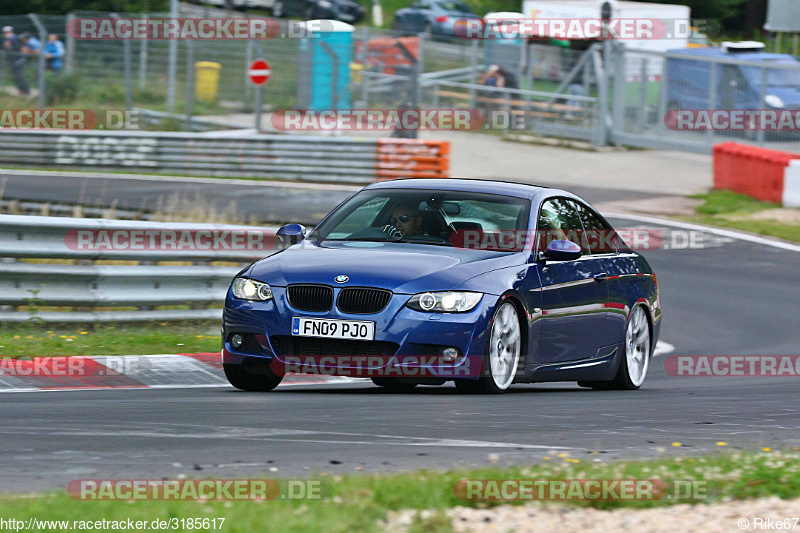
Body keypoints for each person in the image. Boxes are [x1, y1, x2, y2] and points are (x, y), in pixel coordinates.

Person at [2, 26, 29, 95]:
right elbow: (5, 48)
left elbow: (20, 48)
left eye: (7, 32)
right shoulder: (6, 40)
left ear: (11, 32)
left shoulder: (17, 38)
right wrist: (6, 46)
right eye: (5, 33)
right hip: (12, 60)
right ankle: (21, 90)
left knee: (19, 76)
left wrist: (10, 46)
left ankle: (26, 90)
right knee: (16, 77)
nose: (6, 34)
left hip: (19, 60)